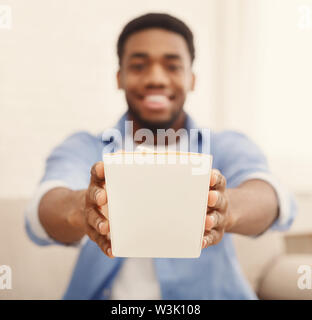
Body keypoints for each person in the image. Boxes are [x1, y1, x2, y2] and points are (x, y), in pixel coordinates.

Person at [25, 13, 297, 300]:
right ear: (120, 77)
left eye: (172, 66)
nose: (156, 78)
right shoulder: (86, 147)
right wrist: (81, 209)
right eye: (139, 65)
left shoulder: (224, 146)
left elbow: (271, 196)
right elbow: (43, 209)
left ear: (191, 79)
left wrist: (226, 210)